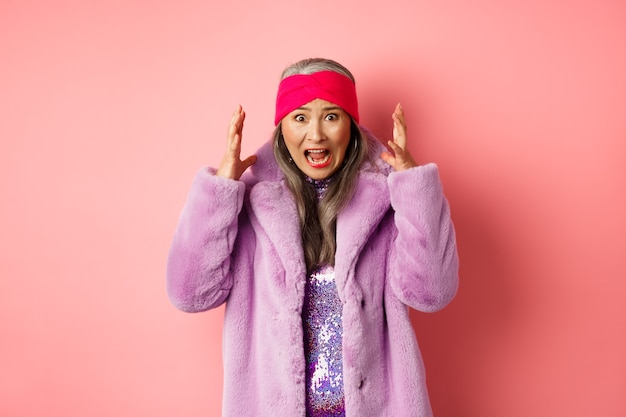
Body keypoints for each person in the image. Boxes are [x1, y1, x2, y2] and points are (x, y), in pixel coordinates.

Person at [166, 57, 459, 417]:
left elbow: (432, 294)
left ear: (350, 125)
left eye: (331, 116)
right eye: (300, 117)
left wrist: (414, 189)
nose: (316, 134)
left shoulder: (387, 199)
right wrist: (221, 191)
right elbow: (190, 294)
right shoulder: (248, 202)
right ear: (282, 127)